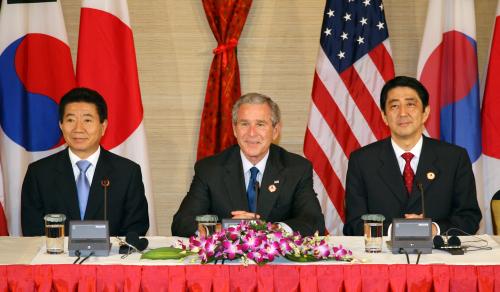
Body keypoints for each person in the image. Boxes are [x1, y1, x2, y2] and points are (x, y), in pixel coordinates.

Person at [343, 76, 482, 236]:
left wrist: (433, 229)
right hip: (382, 256)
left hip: (438, 255)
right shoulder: (362, 161)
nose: (403, 113)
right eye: (394, 106)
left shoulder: (454, 158)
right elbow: (354, 223)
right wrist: (395, 230)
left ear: (425, 112)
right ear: (384, 116)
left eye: (410, 104)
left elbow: (469, 217)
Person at [172, 92, 325, 237]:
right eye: (244, 124)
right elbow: (182, 223)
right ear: (234, 129)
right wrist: (229, 228)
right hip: (225, 261)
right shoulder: (210, 169)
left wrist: (265, 229)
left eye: (260, 124)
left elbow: (313, 222)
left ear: (275, 131)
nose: (251, 133)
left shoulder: (296, 169)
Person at [21, 88, 149, 236]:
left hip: (111, 257)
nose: (78, 129)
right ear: (61, 125)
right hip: (55, 258)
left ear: (103, 126)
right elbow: (32, 232)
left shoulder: (127, 172)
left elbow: (135, 228)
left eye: (87, 120)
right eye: (70, 120)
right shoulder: (39, 173)